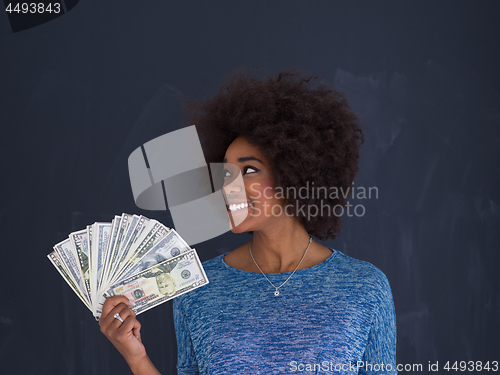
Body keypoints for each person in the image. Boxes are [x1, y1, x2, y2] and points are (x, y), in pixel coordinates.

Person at [99, 68, 397, 374]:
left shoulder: (365, 287)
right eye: (224, 173)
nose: (228, 187)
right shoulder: (198, 289)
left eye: (250, 170)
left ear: (295, 174)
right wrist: (135, 356)